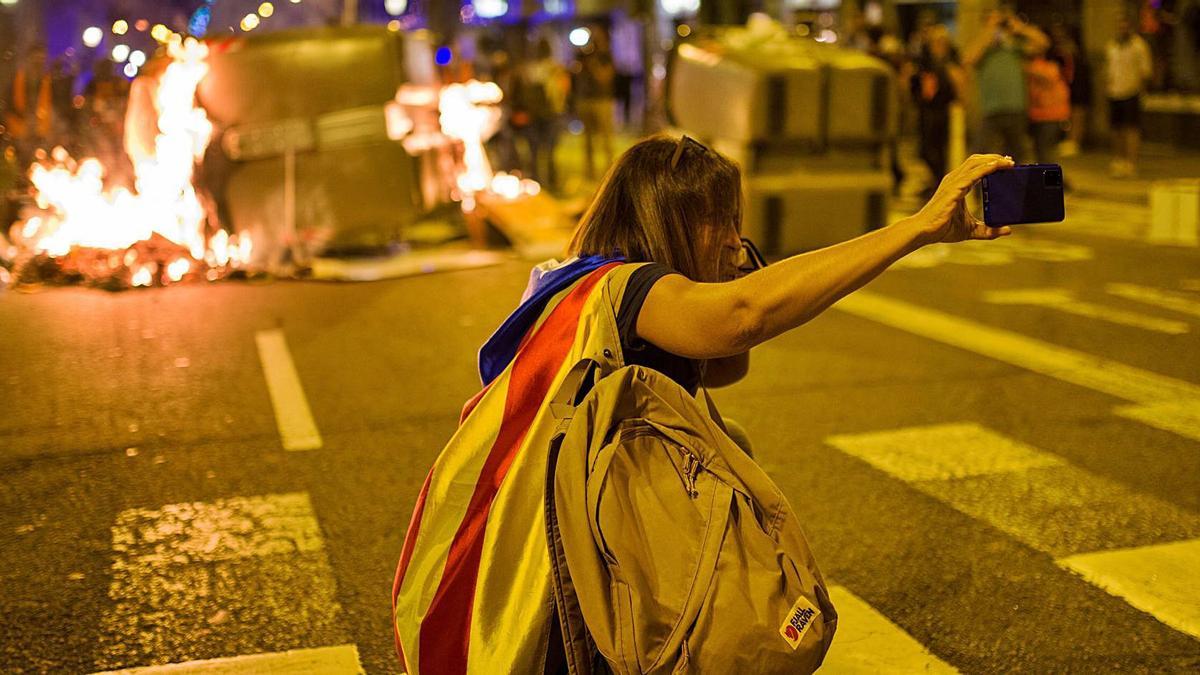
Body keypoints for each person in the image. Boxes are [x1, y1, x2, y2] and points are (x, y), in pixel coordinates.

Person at [393, 135, 1014, 674]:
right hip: (565, 557)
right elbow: (741, 321)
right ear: (675, 218)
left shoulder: (574, 280)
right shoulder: (628, 285)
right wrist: (916, 228)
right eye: (722, 220)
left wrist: (733, 263)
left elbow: (726, 367)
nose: (735, 238)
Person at [964, 7, 1050, 162]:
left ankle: (1012, 185)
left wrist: (1020, 28)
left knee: (1015, 155)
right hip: (991, 110)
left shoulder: (1014, 45)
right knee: (980, 151)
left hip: (1016, 108)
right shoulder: (983, 47)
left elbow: (1043, 43)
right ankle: (978, 185)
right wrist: (990, 32)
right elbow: (968, 59)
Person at [910, 25, 963, 197]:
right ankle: (936, 182)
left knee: (940, 150)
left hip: (942, 110)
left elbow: (959, 85)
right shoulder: (925, 62)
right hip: (926, 109)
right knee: (925, 150)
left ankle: (940, 184)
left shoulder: (950, 62)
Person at [512, 38, 567, 191]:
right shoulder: (551, 69)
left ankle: (543, 183)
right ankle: (545, 183)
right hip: (543, 115)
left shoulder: (531, 70)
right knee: (543, 151)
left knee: (540, 151)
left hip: (539, 115)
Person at [1105, 14, 1152, 178]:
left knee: (1131, 129)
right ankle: (1118, 160)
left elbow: (1145, 71)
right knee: (1116, 128)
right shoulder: (1112, 45)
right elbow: (1109, 68)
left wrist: (1140, 90)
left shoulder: (1139, 46)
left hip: (1131, 92)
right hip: (1114, 92)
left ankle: (1131, 162)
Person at [574, 27, 616, 182]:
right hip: (585, 99)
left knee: (606, 138)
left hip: (602, 100)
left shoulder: (605, 55)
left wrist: (594, 66)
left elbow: (605, 77)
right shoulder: (582, 54)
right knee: (587, 140)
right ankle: (589, 172)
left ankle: (610, 172)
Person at [1025, 33, 1071, 167]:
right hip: (1039, 116)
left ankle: (1053, 181)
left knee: (1046, 153)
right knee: (1041, 152)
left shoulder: (1049, 65)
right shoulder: (1038, 64)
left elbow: (1047, 75)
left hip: (1051, 116)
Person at [1051, 23, 1091, 157]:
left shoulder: (1079, 56)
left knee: (1078, 115)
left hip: (1080, 88)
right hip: (1069, 88)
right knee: (1070, 115)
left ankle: (1075, 142)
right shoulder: (1060, 54)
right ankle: (1069, 141)